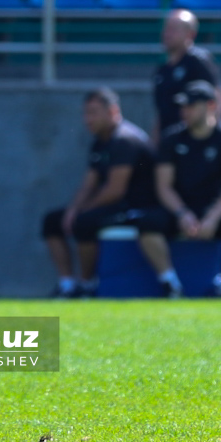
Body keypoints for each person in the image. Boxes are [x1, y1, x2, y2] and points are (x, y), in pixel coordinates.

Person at [136, 80, 221, 298]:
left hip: (214, 210)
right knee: (147, 223)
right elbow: (164, 186)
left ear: (211, 105)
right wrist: (182, 214)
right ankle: (169, 283)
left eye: (192, 105)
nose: (185, 111)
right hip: (180, 209)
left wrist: (212, 217)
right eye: (183, 106)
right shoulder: (172, 138)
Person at [40, 87, 157, 298]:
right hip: (112, 207)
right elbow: (89, 183)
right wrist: (73, 210)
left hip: (136, 208)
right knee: (52, 221)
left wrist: (81, 212)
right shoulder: (100, 142)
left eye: (93, 113)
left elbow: (115, 190)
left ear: (112, 111)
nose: (87, 119)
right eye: (85, 113)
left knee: (84, 222)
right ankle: (68, 284)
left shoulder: (125, 139)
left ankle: (87, 284)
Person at [152, 9, 221, 145]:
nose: (167, 33)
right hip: (169, 144)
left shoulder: (198, 61)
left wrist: (209, 141)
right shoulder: (162, 70)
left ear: (190, 34)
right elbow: (161, 113)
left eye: (174, 29)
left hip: (193, 143)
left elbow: (216, 100)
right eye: (167, 28)